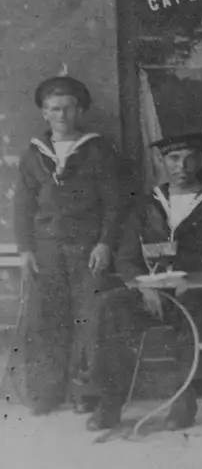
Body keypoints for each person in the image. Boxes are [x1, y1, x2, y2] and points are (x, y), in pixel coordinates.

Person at [88, 133, 202, 432]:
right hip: (152, 293)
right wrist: (144, 286)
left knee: (196, 310)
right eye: (174, 158)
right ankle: (110, 402)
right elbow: (126, 257)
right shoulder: (146, 204)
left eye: (190, 157)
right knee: (110, 306)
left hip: (200, 292)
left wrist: (199, 280)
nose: (183, 165)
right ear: (161, 161)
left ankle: (185, 399)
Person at [14, 76, 130, 417]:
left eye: (67, 107)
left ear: (79, 110)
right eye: (53, 108)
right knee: (45, 320)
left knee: (90, 320)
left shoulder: (97, 149)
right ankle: (46, 393)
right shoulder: (33, 154)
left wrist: (105, 243)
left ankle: (87, 393)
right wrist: (25, 249)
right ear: (44, 112)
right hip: (46, 249)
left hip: (87, 249)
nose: (61, 114)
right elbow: (22, 206)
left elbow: (114, 204)